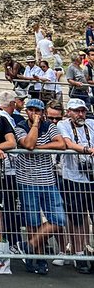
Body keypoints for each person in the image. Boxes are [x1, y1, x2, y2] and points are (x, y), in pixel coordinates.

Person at [13, 97, 67, 274]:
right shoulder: (20, 126)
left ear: (43, 112)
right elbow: (28, 144)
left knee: (58, 220)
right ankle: (38, 258)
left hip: (47, 180)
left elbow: (61, 144)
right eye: (31, 110)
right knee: (33, 222)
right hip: (27, 180)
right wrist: (35, 126)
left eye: (38, 111)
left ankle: (28, 246)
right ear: (26, 111)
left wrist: (40, 147)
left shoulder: (50, 126)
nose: (34, 114)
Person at [56, 98, 94, 272]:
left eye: (83, 111)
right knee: (77, 217)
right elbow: (68, 143)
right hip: (73, 178)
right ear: (69, 112)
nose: (80, 114)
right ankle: (79, 254)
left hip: (91, 178)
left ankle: (88, 250)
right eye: (77, 111)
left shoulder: (91, 124)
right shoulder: (63, 125)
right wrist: (87, 150)